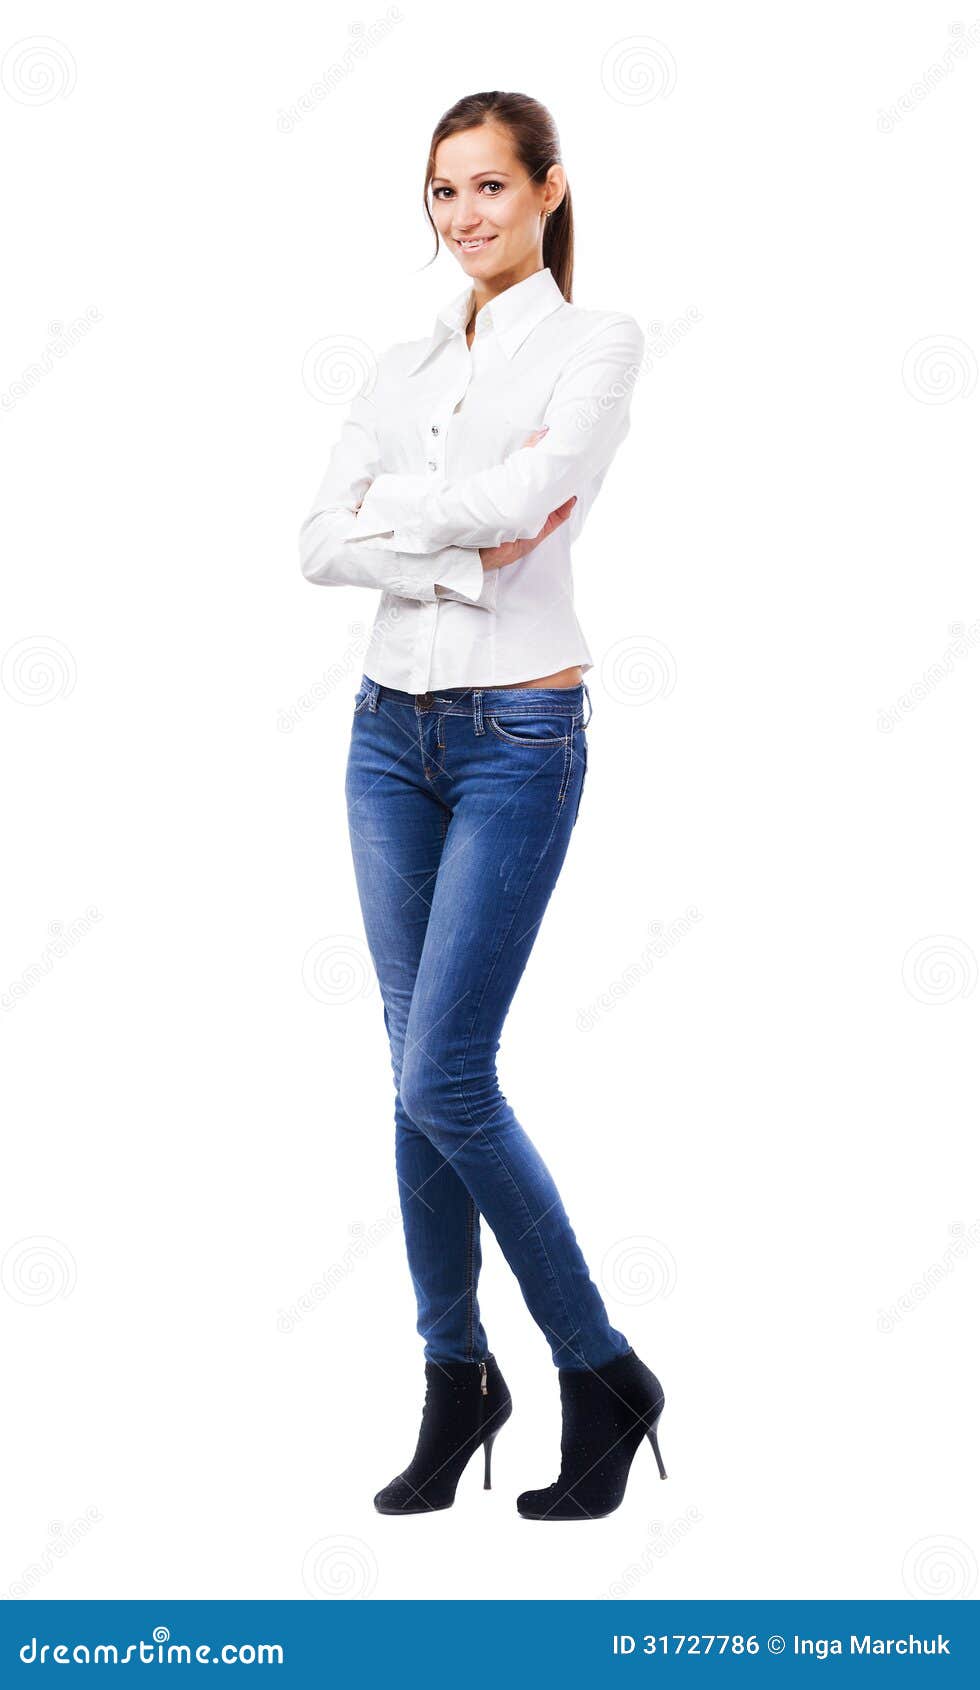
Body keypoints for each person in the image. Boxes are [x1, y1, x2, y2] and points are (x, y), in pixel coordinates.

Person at [298, 90, 667, 1521]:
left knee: (446, 1069)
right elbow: (318, 539)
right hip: (387, 736)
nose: (465, 217)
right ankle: (457, 1377)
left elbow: (542, 494)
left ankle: (602, 1365)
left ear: (550, 192)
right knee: (411, 1064)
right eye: (444, 194)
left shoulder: (598, 342)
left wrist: (417, 520)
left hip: (521, 731)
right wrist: (455, 537)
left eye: (491, 190)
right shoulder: (396, 364)